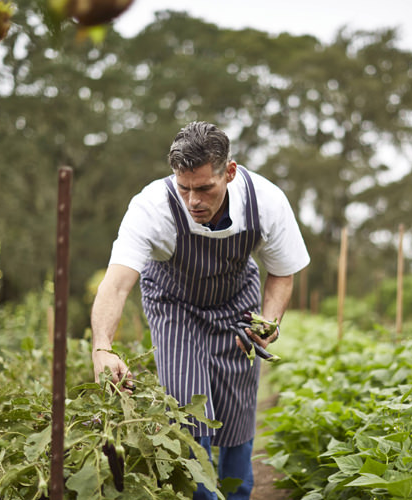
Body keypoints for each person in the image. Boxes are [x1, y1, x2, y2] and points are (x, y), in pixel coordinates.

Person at [90, 121, 309, 500]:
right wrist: (102, 346)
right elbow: (117, 282)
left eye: (205, 188)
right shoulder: (151, 208)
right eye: (184, 187)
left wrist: (269, 320)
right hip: (174, 304)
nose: (194, 201)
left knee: (238, 409)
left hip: (237, 301)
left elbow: (281, 273)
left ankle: (238, 494)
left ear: (230, 172)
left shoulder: (267, 201)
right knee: (187, 407)